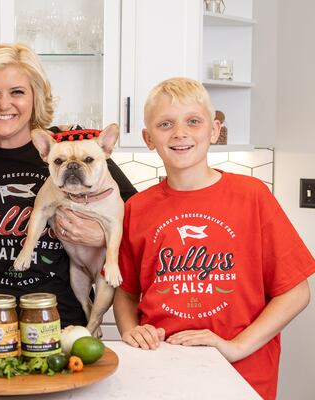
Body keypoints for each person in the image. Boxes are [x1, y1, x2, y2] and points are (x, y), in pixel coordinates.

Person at [113, 77, 315, 399]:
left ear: (214, 131)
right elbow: (124, 292)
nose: (180, 133)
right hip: (161, 369)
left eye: (193, 121)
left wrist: (236, 348)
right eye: (166, 124)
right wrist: (131, 331)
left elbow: (296, 292)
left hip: (242, 373)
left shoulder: (252, 196)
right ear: (148, 138)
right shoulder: (137, 208)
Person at [0, 43, 137, 327]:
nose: (3, 104)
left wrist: (101, 235)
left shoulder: (70, 147)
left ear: (36, 96)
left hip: (59, 322)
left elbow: (141, 218)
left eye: (17, 92)